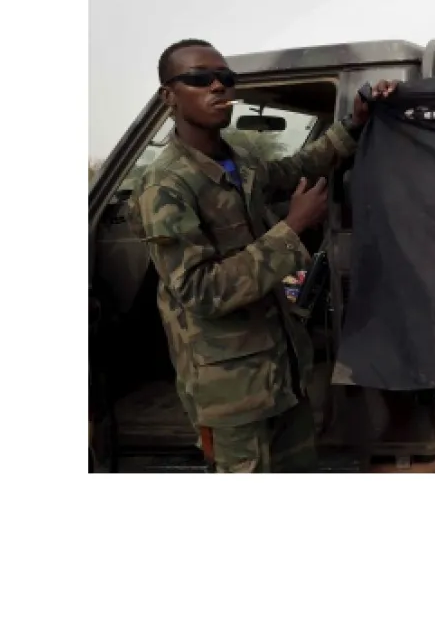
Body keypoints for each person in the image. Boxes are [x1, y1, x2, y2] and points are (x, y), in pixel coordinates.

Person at [131, 39, 396, 473]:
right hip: (231, 396)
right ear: (169, 96)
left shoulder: (239, 161)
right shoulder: (166, 186)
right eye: (199, 78)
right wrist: (292, 228)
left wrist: (354, 122)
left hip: (282, 372)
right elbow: (200, 291)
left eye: (225, 78)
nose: (218, 86)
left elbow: (297, 168)